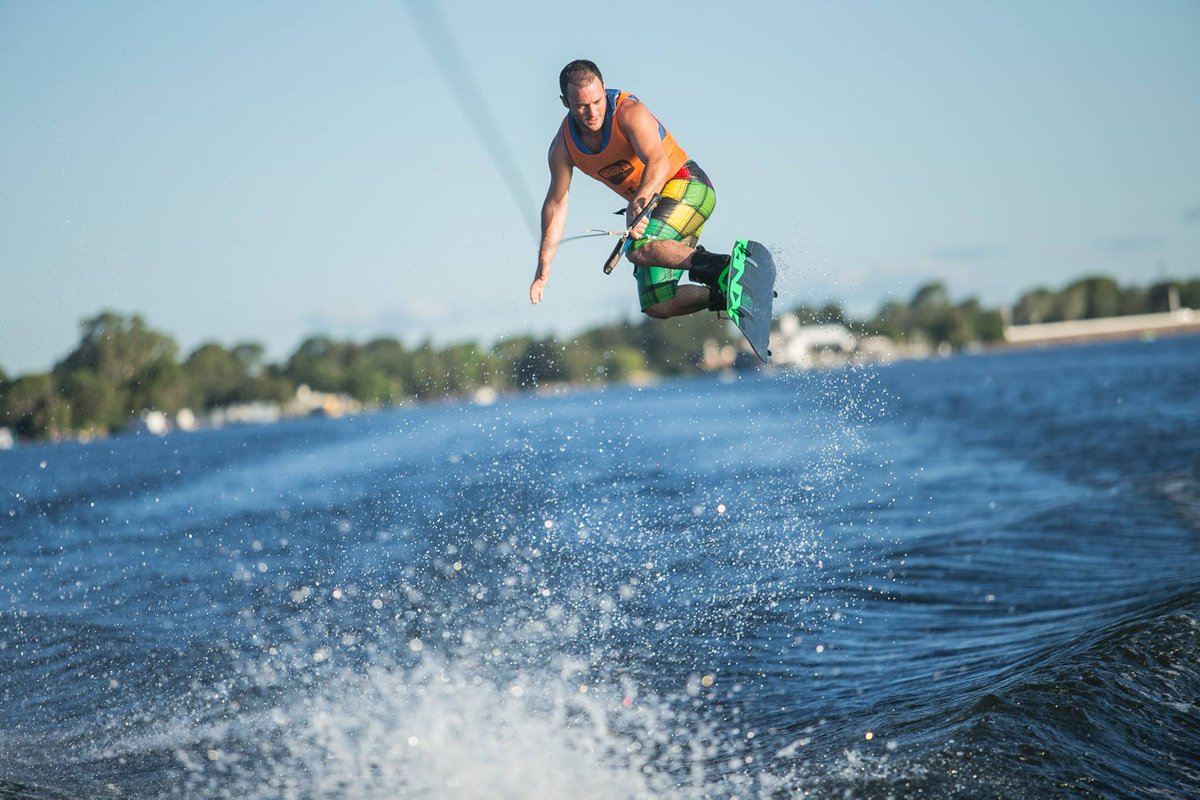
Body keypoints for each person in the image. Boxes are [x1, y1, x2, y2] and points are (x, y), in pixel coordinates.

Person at [529, 59, 731, 319]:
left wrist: (639, 204)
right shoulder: (562, 148)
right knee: (657, 304)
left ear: (603, 88)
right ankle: (724, 295)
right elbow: (556, 205)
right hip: (656, 208)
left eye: (597, 101)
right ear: (565, 103)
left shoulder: (629, 112)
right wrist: (544, 263)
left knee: (639, 249)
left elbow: (658, 162)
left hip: (688, 185)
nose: (592, 113)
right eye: (581, 106)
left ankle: (723, 268)